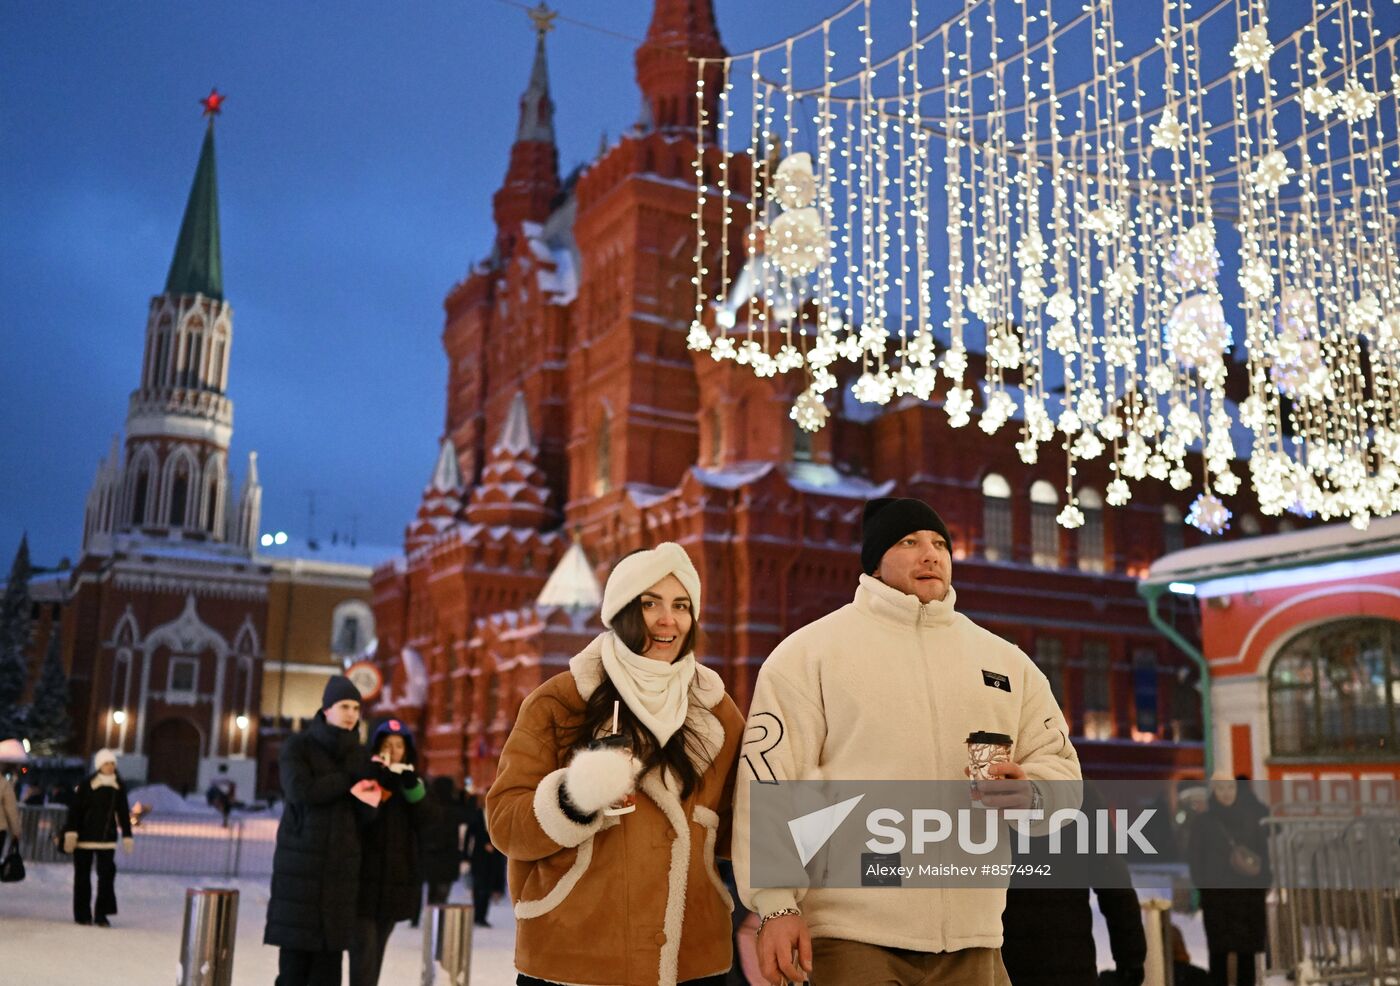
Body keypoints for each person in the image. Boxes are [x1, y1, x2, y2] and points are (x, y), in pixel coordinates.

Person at [734, 497, 1083, 986]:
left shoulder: (1006, 662)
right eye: (909, 542)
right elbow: (771, 784)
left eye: (940, 543)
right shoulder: (809, 655)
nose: (930, 554)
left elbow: (1061, 768)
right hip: (851, 936)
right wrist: (774, 906)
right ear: (875, 561)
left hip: (975, 936)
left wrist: (1033, 794)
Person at [487, 541, 746, 986]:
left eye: (682, 605)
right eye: (651, 603)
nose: (669, 620)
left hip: (692, 960)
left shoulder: (716, 711)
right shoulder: (562, 701)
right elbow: (504, 823)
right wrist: (573, 799)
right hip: (575, 955)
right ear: (624, 610)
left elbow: (742, 825)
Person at [264, 676, 381, 986]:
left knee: (328, 973)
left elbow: (367, 816)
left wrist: (372, 797)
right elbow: (301, 791)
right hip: (300, 873)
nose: (351, 713)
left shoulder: (359, 754)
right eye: (344, 706)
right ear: (326, 709)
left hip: (340, 874)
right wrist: (348, 780)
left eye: (356, 707)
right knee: (294, 971)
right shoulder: (298, 746)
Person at [1001, 784, 1146, 986]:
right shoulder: (1080, 792)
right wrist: (1131, 960)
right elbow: (1114, 884)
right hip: (1069, 961)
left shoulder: (984, 790)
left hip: (1000, 962)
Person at [350, 717, 431, 986]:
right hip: (364, 885)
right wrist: (379, 779)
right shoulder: (366, 776)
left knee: (376, 953)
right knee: (364, 955)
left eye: (399, 745)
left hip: (395, 885)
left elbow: (426, 822)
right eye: (387, 744)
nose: (393, 750)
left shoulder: (412, 783)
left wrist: (410, 787)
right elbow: (365, 815)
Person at [1188, 773, 1270, 986]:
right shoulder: (1204, 822)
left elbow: (1263, 853)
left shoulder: (1250, 817)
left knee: (1247, 955)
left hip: (1247, 896)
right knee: (1218, 954)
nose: (1226, 794)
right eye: (1221, 789)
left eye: (1230, 788)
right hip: (1218, 897)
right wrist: (1205, 886)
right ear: (1214, 791)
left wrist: (1263, 883)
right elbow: (1195, 857)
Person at [62, 748, 133, 926]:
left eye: (112, 764)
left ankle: (102, 914)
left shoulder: (118, 785)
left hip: (106, 839)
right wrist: (71, 832)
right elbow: (76, 810)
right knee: (82, 877)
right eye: (106, 763)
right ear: (99, 765)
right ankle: (82, 914)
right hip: (84, 838)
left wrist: (127, 835)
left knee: (107, 878)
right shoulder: (87, 784)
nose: (110, 767)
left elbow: (123, 812)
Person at [418, 775, 467, 917]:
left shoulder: (429, 806)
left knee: (433, 892)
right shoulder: (453, 807)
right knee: (441, 894)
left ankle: (431, 918)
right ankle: (436, 920)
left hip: (431, 856)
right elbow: (467, 816)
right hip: (448, 857)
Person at [463, 791, 504, 926]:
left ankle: (482, 917)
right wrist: (466, 855)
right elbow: (469, 835)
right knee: (478, 886)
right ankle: (476, 915)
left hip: (494, 858)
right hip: (478, 856)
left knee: (488, 887)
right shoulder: (476, 815)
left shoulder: (499, 814)